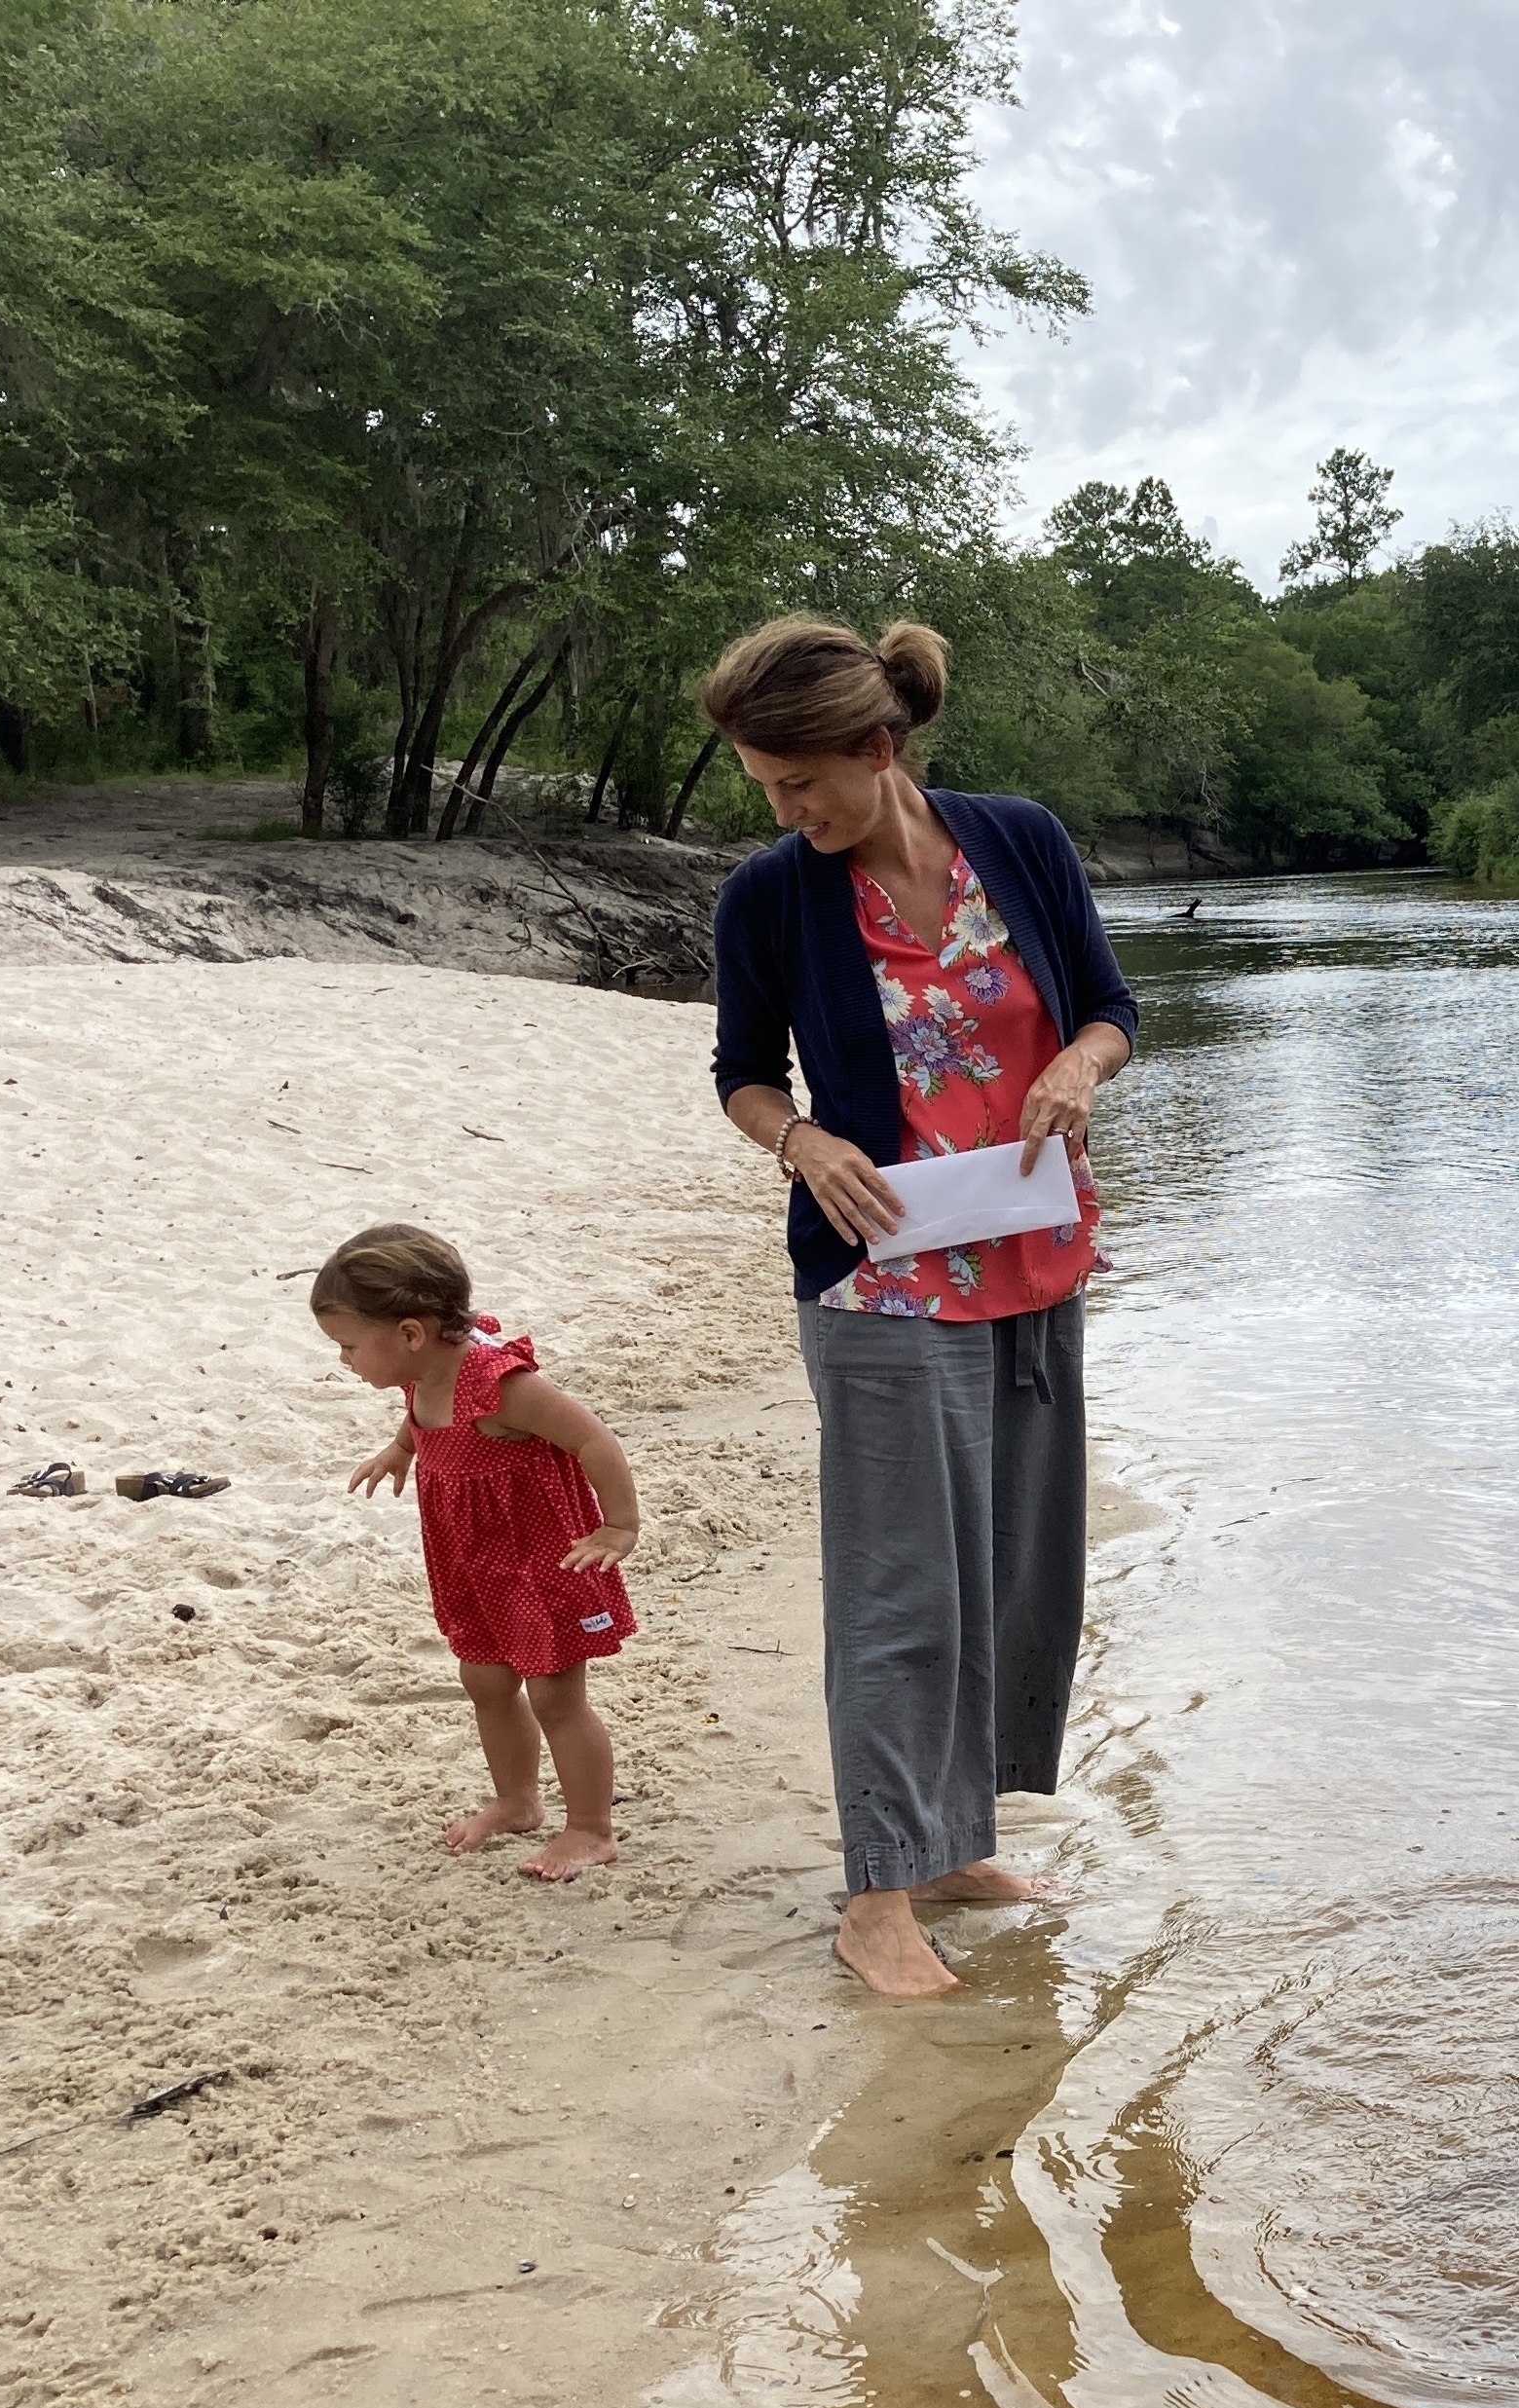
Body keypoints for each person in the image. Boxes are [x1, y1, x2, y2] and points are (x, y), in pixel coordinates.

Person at [702, 613, 1137, 1999]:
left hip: (1034, 1260)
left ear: (879, 750)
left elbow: (1116, 1008)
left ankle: (954, 1847)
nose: (782, 810)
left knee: (1010, 1570)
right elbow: (741, 1073)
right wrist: (803, 1142)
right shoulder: (768, 898)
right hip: (879, 1281)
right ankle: (878, 1896)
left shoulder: (1022, 841)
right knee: (900, 1592)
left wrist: (1078, 1065)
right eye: (767, 787)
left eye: (798, 783)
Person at [315, 1223, 644, 1881]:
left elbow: (594, 1440)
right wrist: (400, 1451)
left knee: (555, 1695)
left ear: (410, 1333)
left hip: (540, 1561)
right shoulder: (421, 1374)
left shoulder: (502, 1386)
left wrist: (619, 1527)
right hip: (475, 1563)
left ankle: (589, 1828)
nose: (345, 1361)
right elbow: (420, 1415)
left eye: (350, 1346)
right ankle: (518, 1802)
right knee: (486, 1681)